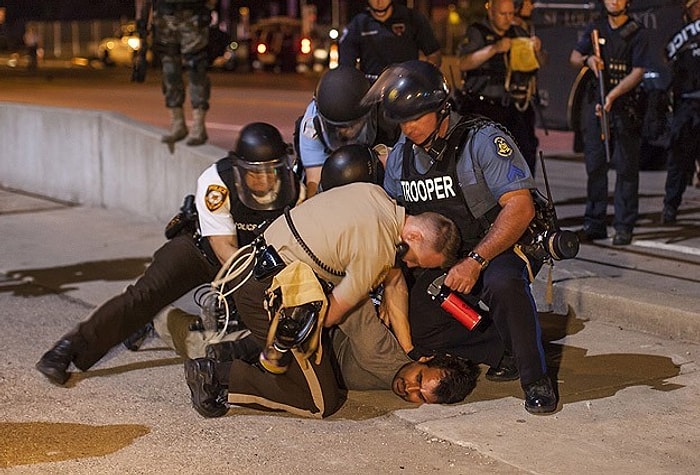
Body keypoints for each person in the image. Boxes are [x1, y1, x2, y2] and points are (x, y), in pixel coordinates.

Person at [35, 123, 302, 386]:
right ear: (238, 168)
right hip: (205, 252)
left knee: (281, 323)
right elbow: (224, 250)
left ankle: (175, 328)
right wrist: (260, 290)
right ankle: (68, 349)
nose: (266, 180)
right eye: (256, 173)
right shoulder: (216, 181)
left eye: (272, 171)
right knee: (143, 297)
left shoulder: (294, 188)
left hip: (259, 263)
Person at [364, 59, 558, 415]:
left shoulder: (482, 139)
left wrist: (476, 260)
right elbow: (392, 219)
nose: (408, 129)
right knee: (416, 324)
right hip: (434, 256)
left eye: (416, 118)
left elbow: (520, 207)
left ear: (441, 108)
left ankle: (534, 376)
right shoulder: (401, 157)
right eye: (402, 121)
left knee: (503, 285)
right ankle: (497, 347)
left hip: (493, 245)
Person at [183, 182, 463, 418]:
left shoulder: (375, 195)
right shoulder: (377, 251)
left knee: (309, 357)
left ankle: (236, 352)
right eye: (414, 258)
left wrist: (409, 346)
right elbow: (330, 314)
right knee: (319, 402)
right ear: (413, 235)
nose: (409, 264)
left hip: (253, 264)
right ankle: (216, 376)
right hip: (269, 292)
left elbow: (395, 280)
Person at [569, 0, 650, 245]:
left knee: (626, 168)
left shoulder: (637, 31)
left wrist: (613, 96)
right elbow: (574, 56)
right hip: (597, 107)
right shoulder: (596, 27)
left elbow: (638, 72)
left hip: (625, 108)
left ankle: (624, 225)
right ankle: (595, 223)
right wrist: (589, 61)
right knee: (595, 165)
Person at [457, 0, 545, 176]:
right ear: (491, 13)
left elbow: (539, 64)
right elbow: (463, 63)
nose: (508, 19)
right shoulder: (478, 32)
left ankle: (527, 194)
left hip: (514, 106)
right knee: (485, 156)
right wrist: (494, 49)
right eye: (503, 14)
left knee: (525, 150)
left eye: (511, 14)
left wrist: (536, 51)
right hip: (484, 105)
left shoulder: (518, 32)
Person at [134, 0, 215, 146]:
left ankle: (198, 125)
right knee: (170, 71)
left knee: (196, 69)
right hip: (165, 17)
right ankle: (177, 122)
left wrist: (208, 7)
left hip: (193, 15)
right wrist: (141, 25)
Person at [295, 66, 382, 197]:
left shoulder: (386, 115)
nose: (345, 132)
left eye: (351, 125)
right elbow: (314, 182)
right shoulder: (311, 126)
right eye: (337, 127)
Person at [661, 0, 700, 224]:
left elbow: (666, 56)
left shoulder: (682, 35)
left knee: (678, 160)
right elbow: (668, 58)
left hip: (688, 105)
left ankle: (670, 207)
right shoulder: (683, 36)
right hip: (686, 105)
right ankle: (670, 207)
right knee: (678, 159)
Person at [338, 0, 442, 83]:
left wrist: (423, 77)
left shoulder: (412, 19)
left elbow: (433, 54)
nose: (379, 2)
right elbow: (345, 68)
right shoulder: (358, 25)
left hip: (406, 89)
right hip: (371, 92)